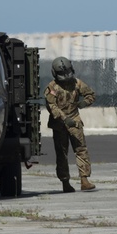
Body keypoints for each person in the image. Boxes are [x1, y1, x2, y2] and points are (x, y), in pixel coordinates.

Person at [44, 56, 97, 192]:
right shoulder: (52, 87)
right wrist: (63, 118)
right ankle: (65, 182)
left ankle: (84, 180)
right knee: (62, 154)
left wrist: (84, 103)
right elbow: (52, 106)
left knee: (81, 150)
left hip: (75, 122)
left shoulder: (77, 83)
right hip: (59, 124)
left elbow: (90, 95)